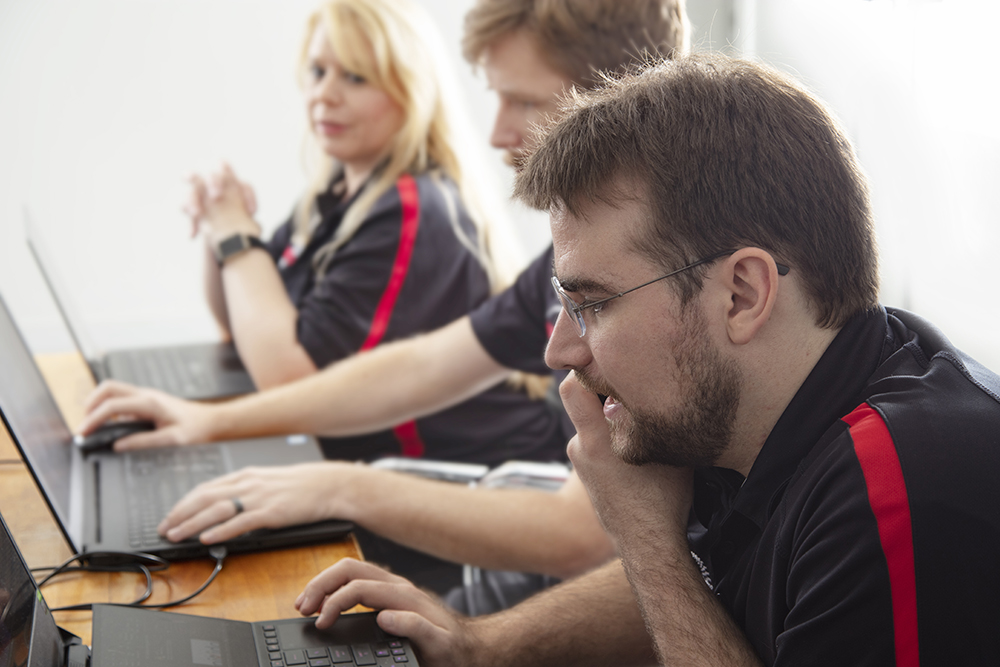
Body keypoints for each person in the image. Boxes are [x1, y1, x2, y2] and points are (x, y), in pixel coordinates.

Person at [287, 53, 1000, 666]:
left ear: (742, 293)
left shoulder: (899, 492)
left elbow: (676, 578)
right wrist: (477, 644)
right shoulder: (758, 401)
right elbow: (711, 587)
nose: (559, 350)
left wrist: (644, 537)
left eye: (592, 302)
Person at [79, 0, 689, 597]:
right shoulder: (556, 266)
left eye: (524, 101)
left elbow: (578, 536)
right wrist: (208, 422)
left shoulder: (666, 283)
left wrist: (341, 487)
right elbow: (419, 367)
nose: (498, 131)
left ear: (625, 102)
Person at [178, 0, 572, 468]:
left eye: (356, 78)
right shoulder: (333, 192)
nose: (325, 94)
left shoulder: (411, 209)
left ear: (410, 91)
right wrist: (218, 229)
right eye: (317, 71)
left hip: (462, 481)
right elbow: (240, 328)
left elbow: (285, 379)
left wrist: (236, 235)